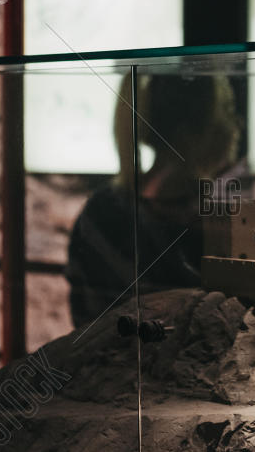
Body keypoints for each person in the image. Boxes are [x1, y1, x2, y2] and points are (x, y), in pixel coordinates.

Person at [66, 74, 241, 331]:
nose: (237, 124)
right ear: (189, 133)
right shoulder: (210, 216)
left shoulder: (102, 209)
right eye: (227, 110)